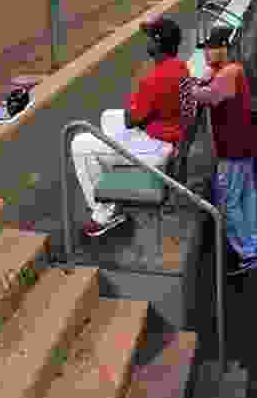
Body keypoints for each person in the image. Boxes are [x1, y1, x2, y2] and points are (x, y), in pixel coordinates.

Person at [70, 18, 196, 236]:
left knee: (79, 145)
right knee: (107, 120)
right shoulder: (180, 67)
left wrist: (137, 102)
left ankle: (105, 213)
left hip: (158, 147)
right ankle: (110, 198)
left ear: (158, 43)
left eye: (149, 37)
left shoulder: (155, 78)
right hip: (171, 135)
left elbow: (131, 119)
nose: (146, 41)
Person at [191, 27, 257, 276]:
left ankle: (247, 254)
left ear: (222, 49)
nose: (207, 54)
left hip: (233, 150)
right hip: (245, 146)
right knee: (246, 198)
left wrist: (189, 85)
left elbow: (205, 96)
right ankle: (251, 246)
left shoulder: (228, 73)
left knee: (230, 201)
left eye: (210, 48)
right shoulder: (233, 70)